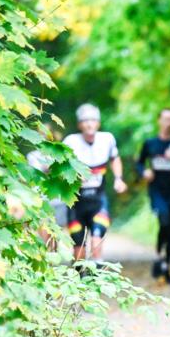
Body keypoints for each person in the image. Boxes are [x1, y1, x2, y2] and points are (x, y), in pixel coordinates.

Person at [63, 103, 127, 263]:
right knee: (79, 248)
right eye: (85, 120)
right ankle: (79, 280)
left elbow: (115, 158)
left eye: (93, 120)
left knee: (97, 239)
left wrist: (119, 179)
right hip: (76, 203)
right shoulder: (70, 142)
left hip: (98, 200)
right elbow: (59, 167)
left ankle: (98, 280)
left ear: (98, 123)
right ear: (79, 125)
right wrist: (73, 176)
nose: (89, 124)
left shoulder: (107, 139)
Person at [136, 108, 170, 284]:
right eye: (165, 119)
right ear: (159, 120)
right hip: (157, 190)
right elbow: (138, 163)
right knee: (164, 218)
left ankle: (165, 265)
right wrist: (144, 172)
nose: (168, 123)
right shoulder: (150, 143)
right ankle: (159, 257)